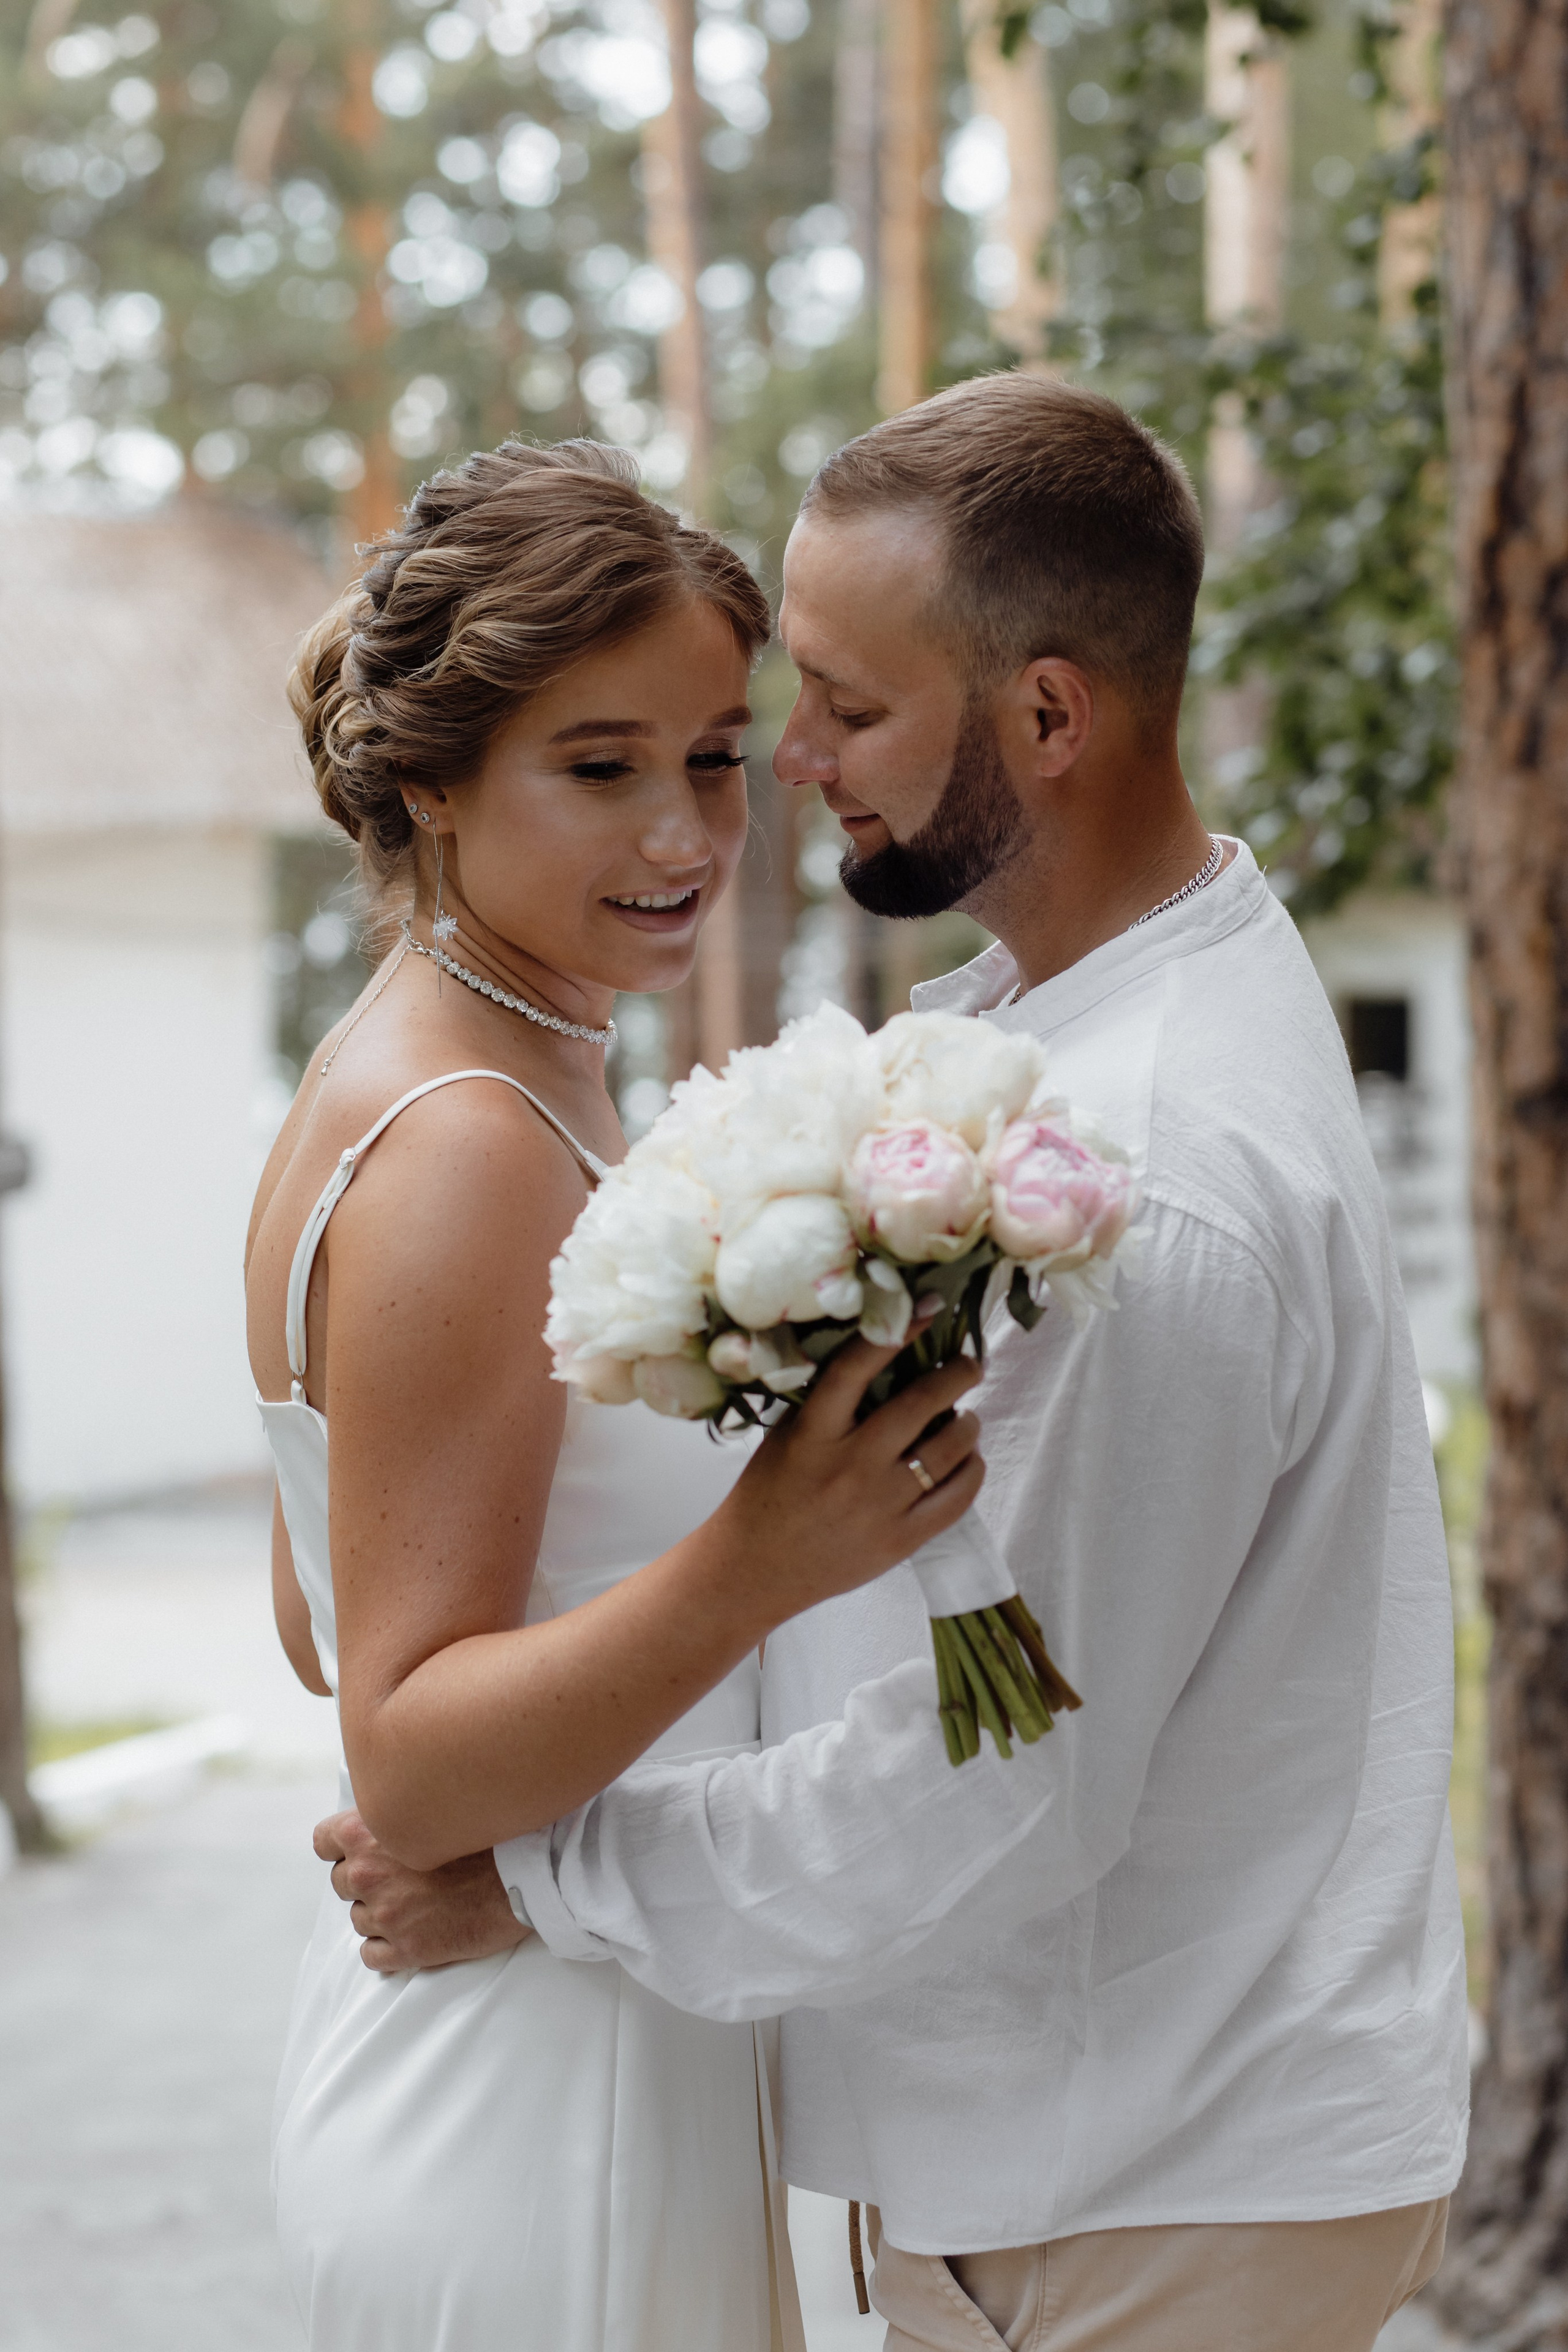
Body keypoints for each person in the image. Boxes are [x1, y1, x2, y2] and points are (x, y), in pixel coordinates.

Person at [322, 376, 1469, 2352]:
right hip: (1076, 2146)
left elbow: (1008, 1776)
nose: (786, 770)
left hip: (1149, 2168)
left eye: (845, 708)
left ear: (1046, 715)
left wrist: (548, 1887)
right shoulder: (1068, 1034)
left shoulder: (1142, 1177)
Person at [245, 435, 987, 2352]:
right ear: (435, 778)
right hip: (526, 2100)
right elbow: (401, 1752)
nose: (686, 835)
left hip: (586, 2013)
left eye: (715, 758)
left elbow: (316, 1619)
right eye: (601, 769)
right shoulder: (469, 1146)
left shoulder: (464, 1072)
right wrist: (759, 1558)